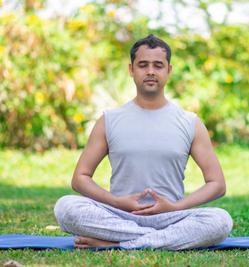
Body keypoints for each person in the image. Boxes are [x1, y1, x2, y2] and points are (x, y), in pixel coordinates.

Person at [54, 34, 233, 250]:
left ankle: (118, 243)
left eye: (158, 65)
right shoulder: (109, 120)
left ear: (169, 70)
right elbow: (80, 178)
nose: (150, 71)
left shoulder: (190, 122)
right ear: (131, 70)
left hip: (171, 217)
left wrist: (176, 207)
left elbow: (217, 183)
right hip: (119, 215)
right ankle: (158, 240)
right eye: (143, 65)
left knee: (221, 220)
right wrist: (117, 202)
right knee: (66, 207)